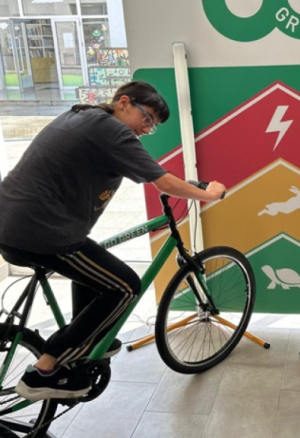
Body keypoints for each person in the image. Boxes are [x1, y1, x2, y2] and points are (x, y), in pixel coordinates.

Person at [0, 81, 225, 401]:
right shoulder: (112, 131)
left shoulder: (82, 115)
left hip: (12, 221)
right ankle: (45, 370)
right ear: (124, 102)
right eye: (146, 119)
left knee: (94, 269)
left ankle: (89, 338)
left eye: (153, 126)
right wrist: (209, 194)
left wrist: (178, 182)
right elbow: (163, 182)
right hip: (42, 231)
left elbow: (148, 172)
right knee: (125, 286)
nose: (147, 129)